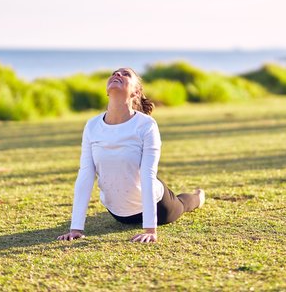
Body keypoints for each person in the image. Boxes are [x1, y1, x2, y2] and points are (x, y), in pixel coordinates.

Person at [57, 67, 205, 243]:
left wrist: (150, 229)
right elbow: (85, 174)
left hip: (158, 207)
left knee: (181, 204)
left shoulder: (146, 125)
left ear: (136, 92)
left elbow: (148, 175)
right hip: (118, 213)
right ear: (107, 91)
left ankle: (198, 196)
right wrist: (75, 228)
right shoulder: (92, 126)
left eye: (125, 74)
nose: (117, 75)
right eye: (114, 73)